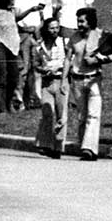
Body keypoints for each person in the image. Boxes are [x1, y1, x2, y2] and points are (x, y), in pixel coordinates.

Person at [68, 7, 112, 160]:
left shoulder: (102, 36)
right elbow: (68, 58)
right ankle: (83, 146)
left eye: (82, 21)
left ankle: (89, 149)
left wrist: (99, 59)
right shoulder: (74, 37)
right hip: (77, 80)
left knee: (93, 115)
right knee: (81, 116)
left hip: (94, 79)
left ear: (90, 22)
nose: (79, 24)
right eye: (78, 21)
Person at [34, 16, 68, 159]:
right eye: (52, 28)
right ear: (46, 30)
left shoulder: (64, 42)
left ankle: (58, 147)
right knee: (47, 113)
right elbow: (36, 64)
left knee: (61, 115)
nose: (55, 30)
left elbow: (69, 61)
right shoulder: (39, 46)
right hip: (46, 82)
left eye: (57, 28)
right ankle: (45, 145)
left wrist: (59, 70)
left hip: (61, 81)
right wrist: (42, 70)